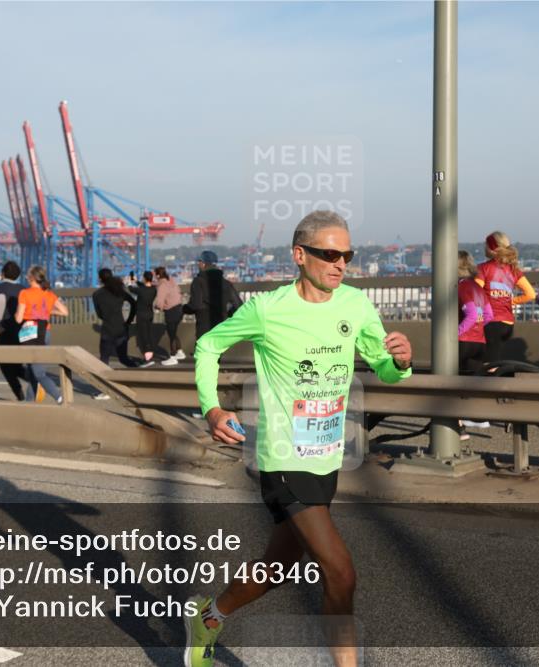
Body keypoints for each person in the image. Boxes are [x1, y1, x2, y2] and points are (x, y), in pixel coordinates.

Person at [184, 210, 413, 667]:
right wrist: (211, 407)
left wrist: (401, 360)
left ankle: (209, 616)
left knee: (279, 565)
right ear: (299, 255)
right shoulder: (267, 310)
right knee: (341, 572)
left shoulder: (355, 305)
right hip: (283, 458)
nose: (340, 263)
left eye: (347, 255)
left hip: (326, 457)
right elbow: (208, 345)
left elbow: (384, 368)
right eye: (330, 254)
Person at [474, 231, 535, 364]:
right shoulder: (514, 270)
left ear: (492, 248)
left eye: (486, 245)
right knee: (493, 357)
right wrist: (511, 301)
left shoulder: (483, 268)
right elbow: (531, 294)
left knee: (489, 362)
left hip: (491, 323)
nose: (484, 247)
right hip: (508, 324)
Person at [15, 265, 69, 404]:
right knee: (34, 369)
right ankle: (29, 403)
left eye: (27, 276)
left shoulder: (24, 293)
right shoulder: (49, 294)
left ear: (32, 278)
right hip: (46, 332)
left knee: (39, 373)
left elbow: (19, 319)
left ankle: (60, 398)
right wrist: (48, 312)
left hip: (30, 332)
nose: (26, 278)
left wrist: (17, 313)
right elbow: (65, 312)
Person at [183, 250, 242, 344]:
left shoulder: (198, 282)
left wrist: (183, 309)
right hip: (221, 327)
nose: (198, 264)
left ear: (203, 264)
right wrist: (227, 314)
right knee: (217, 356)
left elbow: (195, 305)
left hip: (204, 328)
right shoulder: (226, 283)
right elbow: (239, 305)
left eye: (199, 262)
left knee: (203, 356)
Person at [92, 268, 139, 369]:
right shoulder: (119, 291)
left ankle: (104, 383)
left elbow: (99, 315)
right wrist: (129, 321)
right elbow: (134, 304)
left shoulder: (96, 295)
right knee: (123, 358)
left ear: (100, 279)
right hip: (121, 328)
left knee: (104, 359)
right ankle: (139, 373)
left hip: (107, 330)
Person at [0, 261, 26, 401]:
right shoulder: (23, 288)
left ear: (3, 273)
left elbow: (0, 304)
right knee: (17, 364)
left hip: (7, 330)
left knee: (5, 365)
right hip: (23, 331)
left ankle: (21, 394)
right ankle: (36, 380)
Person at [457, 251, 491, 374]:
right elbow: (488, 315)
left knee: (453, 381)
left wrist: (456, 333)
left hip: (464, 342)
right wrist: (477, 327)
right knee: (473, 382)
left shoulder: (462, 286)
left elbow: (472, 315)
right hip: (480, 343)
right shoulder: (477, 287)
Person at [129, 271, 169, 367]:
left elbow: (130, 289)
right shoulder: (153, 289)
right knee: (147, 334)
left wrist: (131, 281)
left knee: (144, 337)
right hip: (149, 314)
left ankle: (148, 359)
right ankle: (148, 356)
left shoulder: (141, 290)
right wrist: (136, 280)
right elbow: (144, 286)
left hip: (141, 315)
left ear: (144, 278)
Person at [153, 266, 185, 362]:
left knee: (171, 334)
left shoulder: (162, 285)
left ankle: (173, 356)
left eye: (154, 274)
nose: (153, 276)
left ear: (158, 275)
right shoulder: (170, 281)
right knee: (173, 332)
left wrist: (157, 307)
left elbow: (159, 301)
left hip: (171, 311)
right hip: (179, 308)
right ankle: (179, 352)